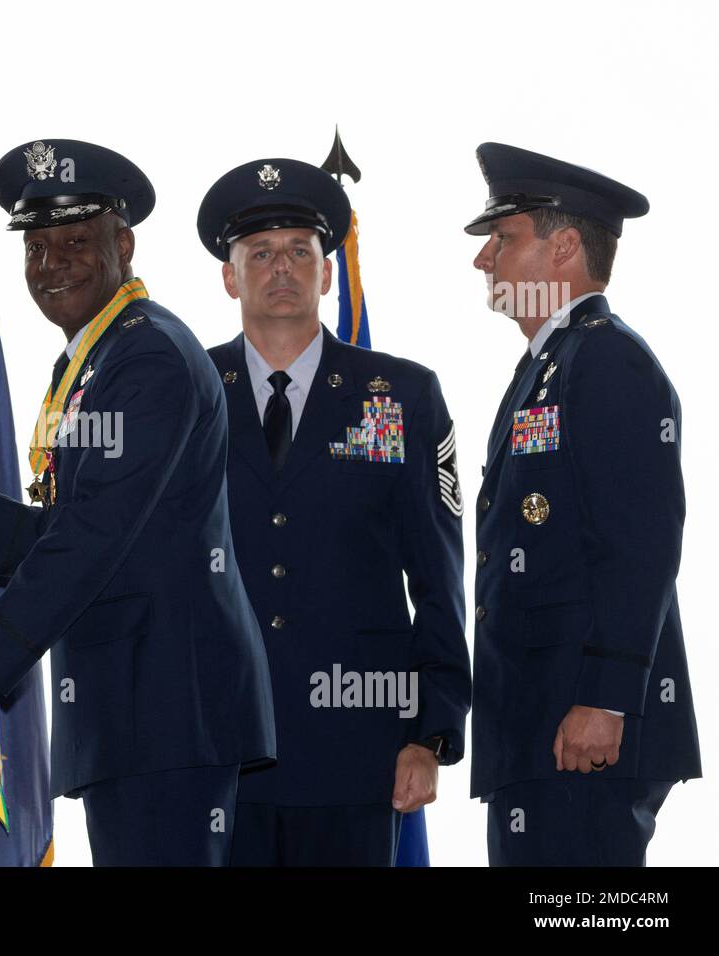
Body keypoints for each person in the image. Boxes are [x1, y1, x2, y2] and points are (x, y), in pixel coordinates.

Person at [0, 139, 275, 866]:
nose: (53, 264)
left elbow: (94, 538)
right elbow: (85, 528)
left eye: (75, 241)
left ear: (123, 243)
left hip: (168, 715)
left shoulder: (149, 357)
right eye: (36, 248)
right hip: (138, 714)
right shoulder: (99, 358)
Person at [196, 158, 471, 865]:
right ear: (230, 275)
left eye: (299, 250)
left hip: (358, 753)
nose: (280, 267)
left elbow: (439, 578)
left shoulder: (403, 395)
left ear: (327, 272)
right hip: (216, 755)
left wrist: (431, 731)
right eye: (259, 253)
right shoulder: (184, 393)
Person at [467, 142, 702, 866]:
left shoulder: (607, 360)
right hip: (540, 719)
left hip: (585, 727)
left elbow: (642, 543)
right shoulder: (548, 366)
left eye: (502, 240)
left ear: (564, 246)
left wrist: (605, 699)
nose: (483, 261)